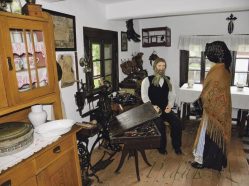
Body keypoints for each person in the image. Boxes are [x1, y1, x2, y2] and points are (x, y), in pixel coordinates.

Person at [191, 41, 232, 171]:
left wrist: (201, 101)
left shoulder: (218, 70)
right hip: (221, 109)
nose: (208, 58)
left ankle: (204, 161)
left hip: (213, 110)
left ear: (215, 54)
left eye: (209, 55)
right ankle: (216, 161)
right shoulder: (224, 67)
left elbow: (210, 92)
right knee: (216, 135)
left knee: (206, 135)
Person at [141, 58, 182, 155]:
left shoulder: (168, 80)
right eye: (159, 66)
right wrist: (152, 106)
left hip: (165, 108)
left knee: (177, 123)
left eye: (163, 66)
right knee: (160, 125)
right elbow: (144, 96)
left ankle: (177, 146)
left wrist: (170, 105)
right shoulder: (147, 80)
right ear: (155, 67)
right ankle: (161, 147)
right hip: (152, 109)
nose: (161, 68)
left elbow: (172, 95)